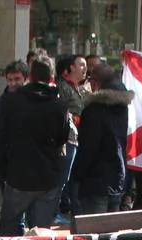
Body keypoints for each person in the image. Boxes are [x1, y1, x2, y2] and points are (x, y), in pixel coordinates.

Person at [0, 57, 68, 235]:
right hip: (47, 176)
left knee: (8, 232)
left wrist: (3, 169)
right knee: (41, 235)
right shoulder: (58, 106)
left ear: (30, 76)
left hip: (18, 174)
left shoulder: (10, 102)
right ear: (51, 76)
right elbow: (62, 139)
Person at [70, 62, 132, 216]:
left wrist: (76, 177)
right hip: (117, 177)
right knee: (109, 237)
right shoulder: (122, 108)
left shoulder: (94, 110)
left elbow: (88, 148)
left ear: (95, 82)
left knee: (92, 235)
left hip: (95, 181)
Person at [54, 53, 87, 223]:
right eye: (81, 64)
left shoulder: (79, 88)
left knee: (68, 179)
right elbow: (60, 111)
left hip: (76, 138)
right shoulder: (63, 87)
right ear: (71, 68)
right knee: (62, 178)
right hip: (66, 138)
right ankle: (54, 212)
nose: (84, 68)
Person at [0, 59, 28, 143]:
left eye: (17, 79)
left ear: (25, 79)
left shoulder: (31, 101)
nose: (13, 83)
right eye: (10, 80)